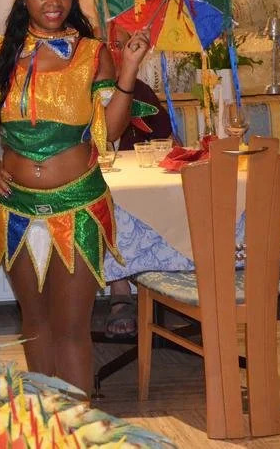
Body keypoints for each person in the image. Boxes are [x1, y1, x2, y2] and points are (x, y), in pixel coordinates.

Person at [0, 0, 153, 393]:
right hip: (13, 208)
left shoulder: (92, 52)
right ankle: (42, 424)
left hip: (77, 207)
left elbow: (111, 131)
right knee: (34, 327)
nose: (53, 1)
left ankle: (78, 425)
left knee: (73, 331)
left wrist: (129, 68)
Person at [104, 22, 174, 337]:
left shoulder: (142, 92)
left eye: (121, 45)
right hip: (98, 191)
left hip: (144, 191)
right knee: (106, 204)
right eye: (106, 45)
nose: (114, 53)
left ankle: (159, 286)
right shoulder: (78, 93)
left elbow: (168, 143)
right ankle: (120, 292)